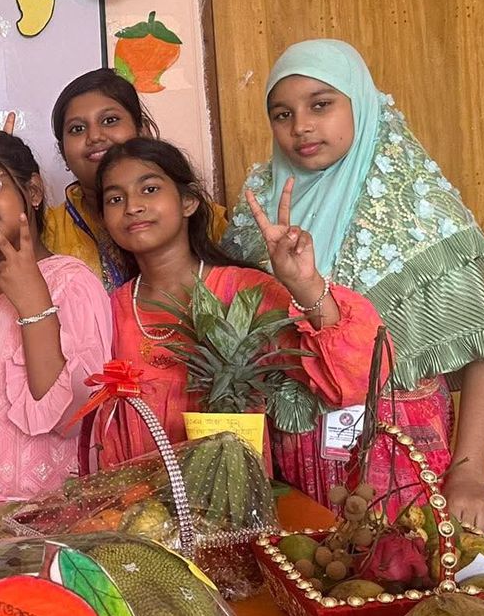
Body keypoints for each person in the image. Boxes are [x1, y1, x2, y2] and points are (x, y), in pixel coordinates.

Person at [223, 39, 484, 530]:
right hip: (293, 465)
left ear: (361, 102)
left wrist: (469, 473)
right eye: (281, 114)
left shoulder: (415, 208)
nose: (301, 126)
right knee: (308, 586)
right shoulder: (258, 212)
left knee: (402, 582)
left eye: (321, 105)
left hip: (399, 455)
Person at [96, 138, 385, 482]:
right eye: (116, 198)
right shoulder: (110, 308)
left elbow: (356, 379)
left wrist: (304, 282)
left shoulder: (242, 291)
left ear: (188, 202)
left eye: (150, 189)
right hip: (139, 508)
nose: (132, 206)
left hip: (234, 500)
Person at [0, 68, 226, 303]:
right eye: (77, 129)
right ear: (64, 154)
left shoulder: (195, 215)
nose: (95, 136)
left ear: (143, 132)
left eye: (110, 120)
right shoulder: (49, 228)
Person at [0, 131, 111, 499]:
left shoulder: (71, 282)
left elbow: (75, 414)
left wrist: (34, 305)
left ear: (32, 192)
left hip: (45, 515)